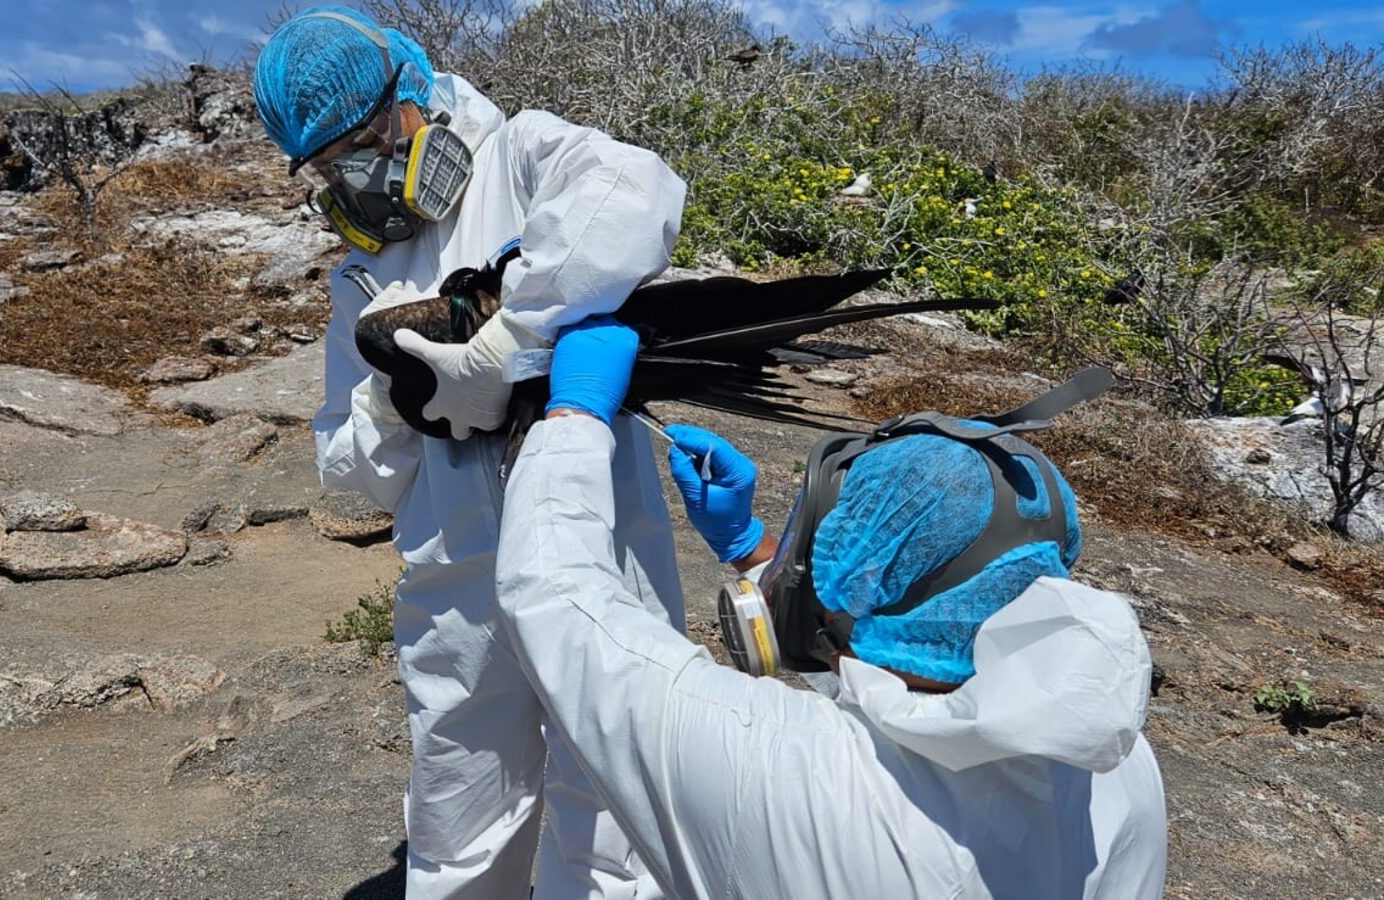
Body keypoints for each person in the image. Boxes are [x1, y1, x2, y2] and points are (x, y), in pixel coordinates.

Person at [494, 316, 1169, 899]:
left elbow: (556, 598)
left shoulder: (768, 768)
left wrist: (575, 416)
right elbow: (916, 710)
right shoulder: (1116, 764)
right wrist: (753, 552)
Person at [253, 8, 688, 897]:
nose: (361, 171)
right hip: (454, 575)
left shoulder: (526, 156)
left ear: (412, 91)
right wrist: (397, 399)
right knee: (458, 804)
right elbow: (350, 470)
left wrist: (508, 342)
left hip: (595, 545)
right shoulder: (358, 276)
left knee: (610, 797)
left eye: (368, 137)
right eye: (334, 163)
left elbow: (635, 195)